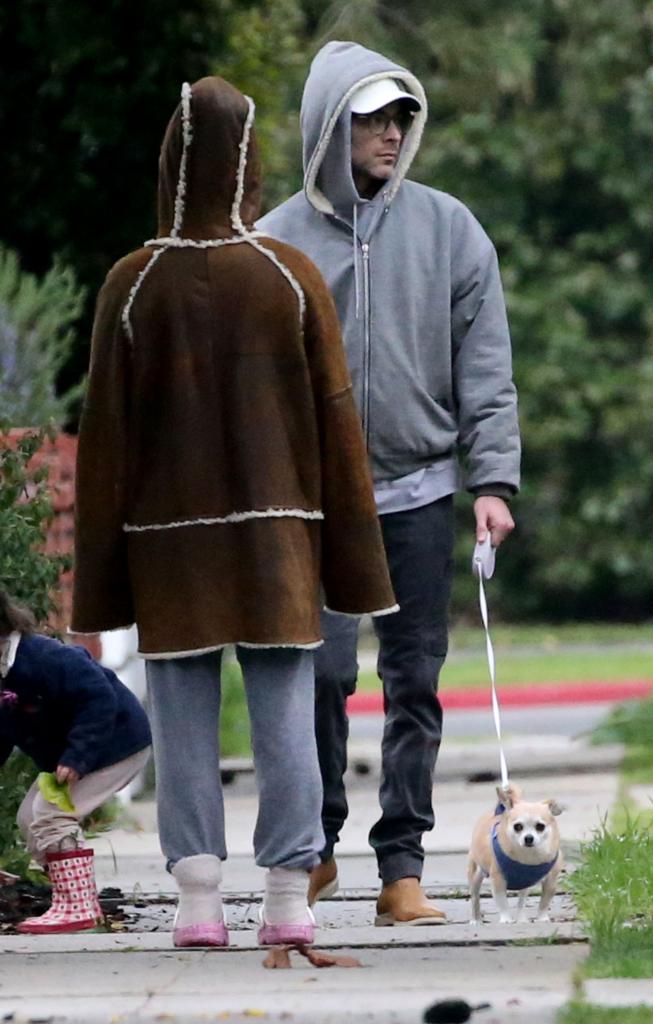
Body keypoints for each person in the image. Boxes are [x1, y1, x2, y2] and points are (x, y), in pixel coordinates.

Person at [71, 77, 396, 948]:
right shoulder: (287, 279)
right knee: (285, 709)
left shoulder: (133, 286)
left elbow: (104, 441)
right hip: (277, 536)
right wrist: (356, 561)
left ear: (169, 159)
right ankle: (289, 901)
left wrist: (98, 588)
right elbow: (337, 425)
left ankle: (199, 904)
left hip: (167, 546)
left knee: (181, 716)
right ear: (252, 169)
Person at [259, 41, 521, 925]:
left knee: (414, 679)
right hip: (316, 502)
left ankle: (401, 866)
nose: (388, 133)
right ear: (330, 128)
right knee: (323, 675)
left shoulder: (450, 229)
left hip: (420, 490)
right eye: (369, 117)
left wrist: (494, 482)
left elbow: (486, 369)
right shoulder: (276, 241)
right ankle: (319, 842)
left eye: (398, 116)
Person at [0, 590, 151, 934]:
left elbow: (99, 697)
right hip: (73, 756)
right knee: (30, 818)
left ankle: (78, 906)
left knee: (52, 816)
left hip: (114, 745)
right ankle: (73, 898)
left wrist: (77, 756)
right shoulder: (4, 674)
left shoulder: (43, 657)